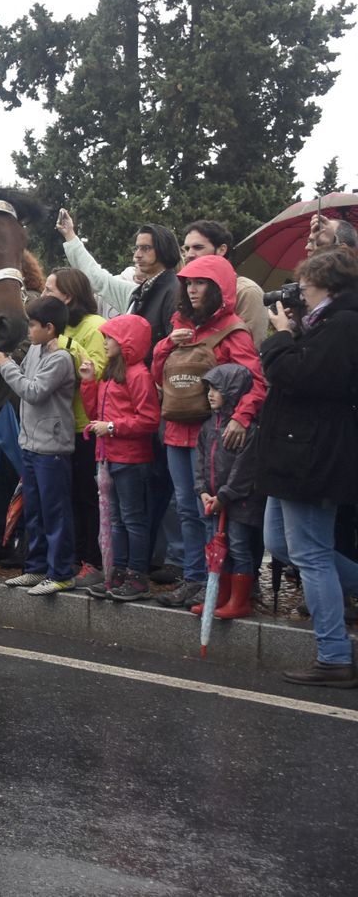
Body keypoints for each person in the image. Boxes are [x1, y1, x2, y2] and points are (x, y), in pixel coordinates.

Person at [255, 247, 358, 687]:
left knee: (312, 555)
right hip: (293, 452)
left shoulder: (345, 323)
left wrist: (280, 336)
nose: (299, 292)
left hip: (312, 454)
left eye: (305, 284)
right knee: (279, 542)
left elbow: (306, 377)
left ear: (326, 284)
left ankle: (333, 657)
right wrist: (291, 334)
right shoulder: (324, 325)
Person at [150, 254, 266, 609]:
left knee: (212, 513)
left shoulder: (234, 329)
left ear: (219, 288)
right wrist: (169, 344)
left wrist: (240, 418)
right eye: (189, 283)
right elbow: (160, 377)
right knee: (186, 509)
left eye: (201, 282)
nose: (193, 289)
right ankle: (196, 579)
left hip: (213, 437)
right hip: (175, 431)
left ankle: (222, 586)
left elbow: (256, 383)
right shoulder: (179, 326)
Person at [0, 296, 79, 595]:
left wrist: (6, 367)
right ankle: (36, 567)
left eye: (32, 325)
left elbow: (32, 391)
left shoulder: (60, 359)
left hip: (52, 447)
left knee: (54, 512)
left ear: (50, 327)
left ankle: (61, 572)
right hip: (30, 444)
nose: (29, 331)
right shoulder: (34, 349)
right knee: (34, 511)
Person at [79, 314, 160, 601]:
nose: (105, 342)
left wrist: (112, 427)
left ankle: (136, 576)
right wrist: (88, 383)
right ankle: (119, 572)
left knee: (132, 518)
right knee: (116, 519)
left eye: (110, 337)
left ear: (125, 341)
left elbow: (149, 419)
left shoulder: (138, 375)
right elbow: (95, 414)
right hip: (110, 456)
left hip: (130, 459)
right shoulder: (113, 372)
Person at [43, 268, 108, 588]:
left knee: (88, 497)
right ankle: (71, 557)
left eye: (49, 290)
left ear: (67, 296)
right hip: (59, 425)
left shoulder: (95, 326)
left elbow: (97, 372)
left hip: (87, 427)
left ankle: (93, 561)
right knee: (67, 498)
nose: (43, 295)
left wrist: (67, 343)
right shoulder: (54, 327)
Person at [190, 363, 263, 621]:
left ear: (232, 391)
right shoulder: (209, 426)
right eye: (208, 388)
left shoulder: (248, 430)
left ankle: (239, 600)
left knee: (238, 547)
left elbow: (245, 469)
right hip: (213, 501)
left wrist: (224, 495)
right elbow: (199, 461)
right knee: (216, 548)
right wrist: (202, 491)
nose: (210, 394)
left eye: (216, 389)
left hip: (238, 503)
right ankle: (220, 596)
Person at [55, 210, 181, 348]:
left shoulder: (175, 293)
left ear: (164, 249)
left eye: (146, 248)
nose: (137, 255)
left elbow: (173, 348)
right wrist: (70, 235)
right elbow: (99, 279)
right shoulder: (137, 293)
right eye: (137, 248)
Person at [181, 220, 266, 345]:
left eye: (198, 247)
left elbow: (250, 350)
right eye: (187, 248)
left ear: (221, 250)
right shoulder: (187, 288)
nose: (189, 255)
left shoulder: (246, 291)